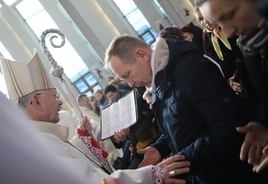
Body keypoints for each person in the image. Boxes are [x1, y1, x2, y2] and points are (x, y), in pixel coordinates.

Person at [0, 51, 191, 184]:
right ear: (36, 102)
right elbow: (93, 180)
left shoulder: (42, 140)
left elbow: (73, 158)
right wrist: (152, 175)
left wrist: (82, 138)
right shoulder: (39, 147)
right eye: (55, 96)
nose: (59, 102)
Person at [104, 34, 259, 183]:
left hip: (234, 171)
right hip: (209, 171)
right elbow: (182, 121)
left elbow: (230, 127)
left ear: (142, 55)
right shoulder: (158, 77)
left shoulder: (189, 70)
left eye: (128, 74)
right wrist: (160, 148)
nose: (129, 83)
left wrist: (180, 160)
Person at [194, 0, 268, 175]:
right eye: (218, 23)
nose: (227, 32)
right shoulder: (248, 45)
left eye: (229, 16)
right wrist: (263, 123)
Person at [77, 93, 123, 165]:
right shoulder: (84, 114)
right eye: (87, 102)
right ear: (80, 104)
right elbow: (99, 126)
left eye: (89, 101)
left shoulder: (87, 111)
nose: (89, 103)